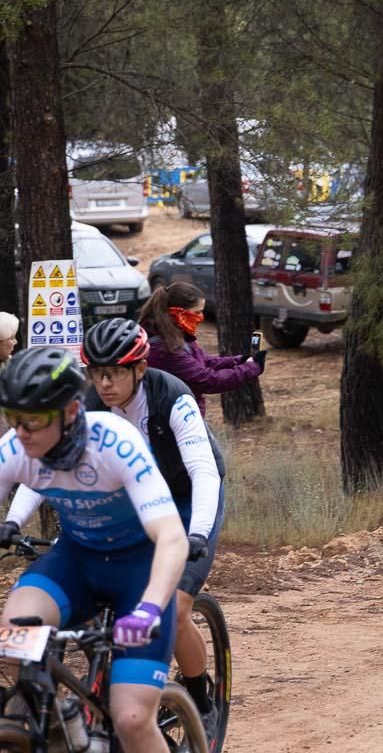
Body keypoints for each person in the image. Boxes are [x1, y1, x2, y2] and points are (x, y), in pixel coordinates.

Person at [2, 320, 225, 737]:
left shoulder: (169, 398)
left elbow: (203, 472)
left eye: (116, 371)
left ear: (139, 369)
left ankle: (198, 692)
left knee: (175, 606)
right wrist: (12, 521)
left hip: (183, 497)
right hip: (112, 515)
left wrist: (197, 532)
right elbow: (38, 470)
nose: (105, 382)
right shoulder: (76, 408)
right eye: (96, 372)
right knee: (20, 637)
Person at [138, 283, 265, 417]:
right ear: (178, 313)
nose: (201, 317)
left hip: (182, 414)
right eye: (197, 312)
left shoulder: (175, 335)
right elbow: (207, 380)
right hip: (174, 420)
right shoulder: (166, 349)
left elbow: (204, 361)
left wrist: (240, 360)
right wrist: (251, 369)